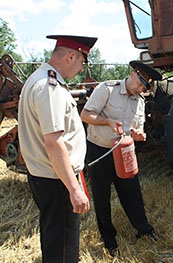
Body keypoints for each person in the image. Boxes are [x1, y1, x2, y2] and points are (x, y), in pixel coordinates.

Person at [18, 34, 97, 262]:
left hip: (48, 176)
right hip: (57, 180)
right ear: (71, 56)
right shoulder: (49, 87)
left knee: (54, 239)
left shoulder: (39, 80)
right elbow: (53, 142)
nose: (82, 69)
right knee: (63, 247)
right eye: (82, 62)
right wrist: (74, 189)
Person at [80, 60, 163, 256]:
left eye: (145, 87)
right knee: (102, 198)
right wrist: (107, 121)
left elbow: (138, 126)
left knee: (133, 193)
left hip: (125, 152)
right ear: (134, 73)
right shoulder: (107, 90)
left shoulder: (140, 100)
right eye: (141, 84)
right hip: (100, 151)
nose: (141, 89)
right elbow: (85, 114)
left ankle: (144, 230)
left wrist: (139, 134)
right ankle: (109, 241)